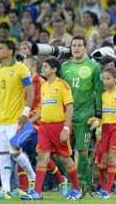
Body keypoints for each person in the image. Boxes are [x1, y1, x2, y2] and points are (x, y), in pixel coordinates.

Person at [21, 57, 82, 200]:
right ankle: (37, 192)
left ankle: (77, 190)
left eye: (46, 66)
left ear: (54, 69)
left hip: (59, 126)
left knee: (65, 159)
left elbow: (70, 107)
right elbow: (42, 109)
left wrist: (66, 128)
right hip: (44, 127)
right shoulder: (44, 86)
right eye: (43, 66)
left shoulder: (63, 85)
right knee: (42, 157)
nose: (43, 69)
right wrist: (29, 121)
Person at [0, 40, 36, 200]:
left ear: (10, 51)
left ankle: (33, 178)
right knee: (2, 154)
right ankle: (6, 190)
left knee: (15, 153)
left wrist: (26, 112)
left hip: (16, 119)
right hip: (0, 120)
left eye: (1, 48)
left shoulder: (21, 68)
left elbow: (30, 93)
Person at [60, 36, 103, 190]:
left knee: (82, 149)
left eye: (79, 45)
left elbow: (99, 90)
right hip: (65, 116)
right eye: (74, 45)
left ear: (85, 48)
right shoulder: (64, 67)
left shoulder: (94, 67)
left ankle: (84, 183)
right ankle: (67, 181)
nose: (76, 48)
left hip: (85, 115)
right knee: (61, 150)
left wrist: (98, 113)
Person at [93, 66, 116, 199]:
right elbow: (99, 116)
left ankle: (107, 191)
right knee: (100, 162)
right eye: (103, 79)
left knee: (110, 160)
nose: (105, 81)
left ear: (115, 79)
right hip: (104, 129)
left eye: (108, 78)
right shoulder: (101, 95)